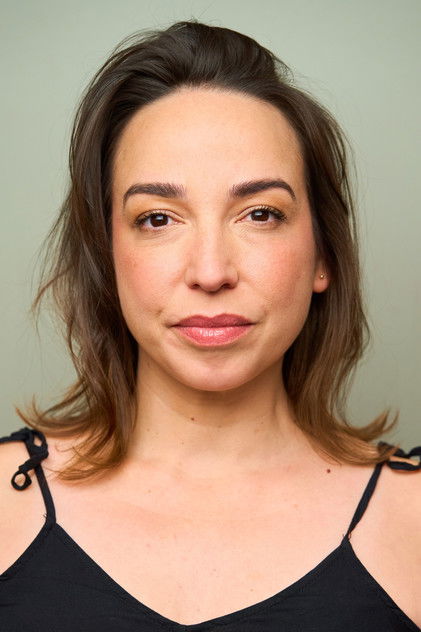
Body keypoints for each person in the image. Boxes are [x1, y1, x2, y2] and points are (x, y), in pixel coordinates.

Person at [0, 19, 420, 631]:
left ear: (323, 255)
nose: (211, 271)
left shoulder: (412, 520)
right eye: (157, 219)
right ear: (106, 256)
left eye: (260, 213)